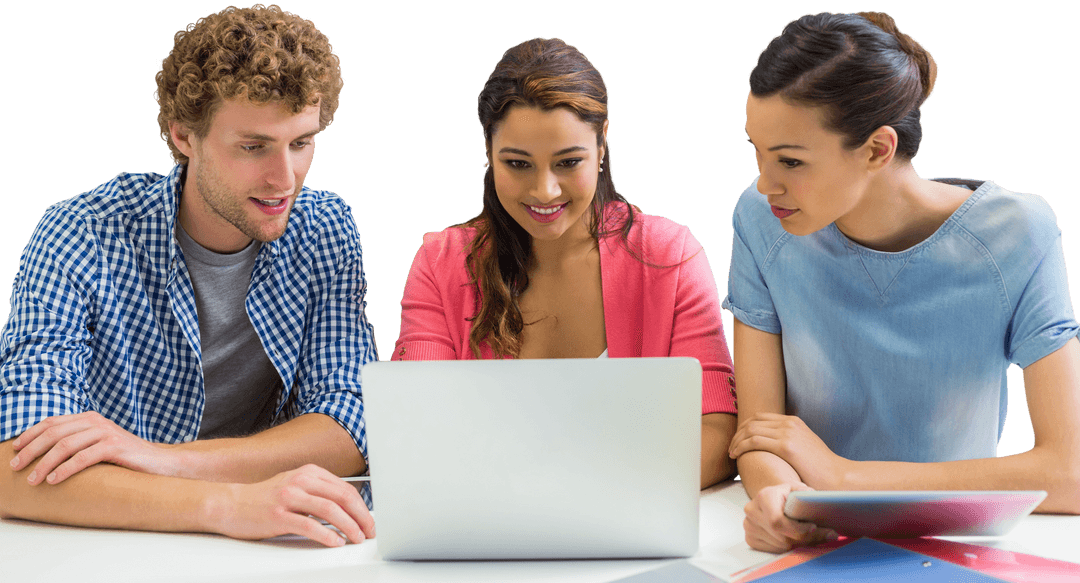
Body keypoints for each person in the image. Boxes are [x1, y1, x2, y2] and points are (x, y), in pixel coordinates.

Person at [0, 5, 376, 547]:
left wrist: (158, 460)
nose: (284, 178)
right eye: (253, 147)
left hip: (270, 551)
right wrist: (229, 504)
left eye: (302, 143)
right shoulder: (79, 233)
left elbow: (349, 426)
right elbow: (17, 467)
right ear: (183, 135)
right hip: (96, 554)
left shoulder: (325, 231)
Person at [723, 11, 1080, 553]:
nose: (765, 183)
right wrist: (779, 499)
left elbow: (1070, 472)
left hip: (950, 548)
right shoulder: (759, 219)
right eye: (759, 153)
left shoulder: (1017, 234)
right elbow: (763, 432)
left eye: (791, 161)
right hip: (814, 545)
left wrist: (841, 479)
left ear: (876, 149)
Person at [391, 37, 738, 488]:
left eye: (568, 161)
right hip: (491, 533)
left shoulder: (669, 256)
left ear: (602, 146)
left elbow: (716, 427)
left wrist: (600, 496)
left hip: (629, 525)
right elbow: (416, 428)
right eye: (517, 164)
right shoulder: (441, 262)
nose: (545, 191)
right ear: (488, 153)